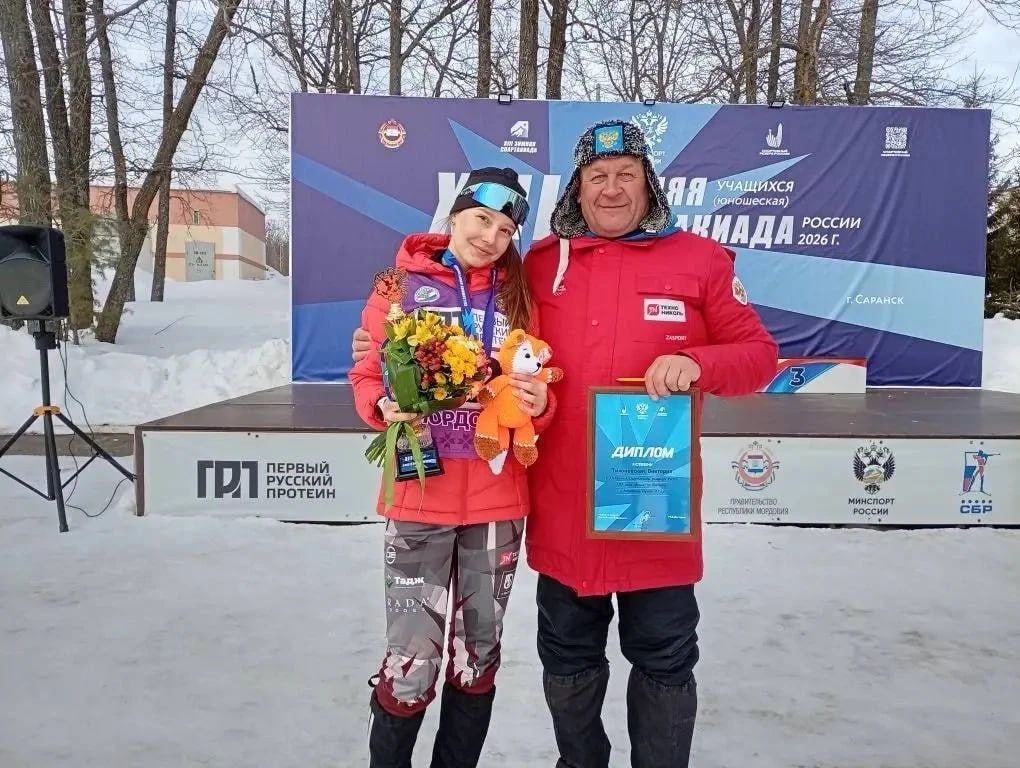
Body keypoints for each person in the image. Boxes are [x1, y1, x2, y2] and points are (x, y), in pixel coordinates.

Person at [353, 122, 779, 767]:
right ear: (577, 189)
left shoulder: (701, 260)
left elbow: (759, 357)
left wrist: (699, 362)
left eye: (627, 175)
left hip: (650, 509)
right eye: (596, 177)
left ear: (649, 185)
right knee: (568, 656)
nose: (611, 189)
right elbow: (459, 318)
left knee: (665, 658)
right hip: (563, 513)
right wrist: (376, 354)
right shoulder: (538, 266)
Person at [348, 166, 556, 768]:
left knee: (477, 658)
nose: (490, 237)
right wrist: (379, 404)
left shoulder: (520, 296)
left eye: (505, 229)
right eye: (480, 219)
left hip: (497, 501)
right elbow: (367, 372)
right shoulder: (398, 284)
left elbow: (542, 383)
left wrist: (540, 405)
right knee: (411, 662)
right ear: (455, 215)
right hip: (420, 496)